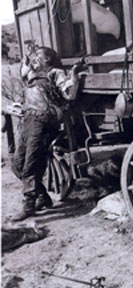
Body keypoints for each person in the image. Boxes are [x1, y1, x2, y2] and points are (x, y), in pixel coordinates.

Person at [11, 46, 83, 221]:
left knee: (31, 164)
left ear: (48, 60)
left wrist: (74, 73)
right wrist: (26, 62)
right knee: (17, 164)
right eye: (34, 57)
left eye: (38, 57)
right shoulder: (32, 74)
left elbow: (70, 95)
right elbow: (23, 72)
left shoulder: (55, 73)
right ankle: (43, 197)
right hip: (28, 120)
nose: (34, 59)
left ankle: (29, 205)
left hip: (43, 122)